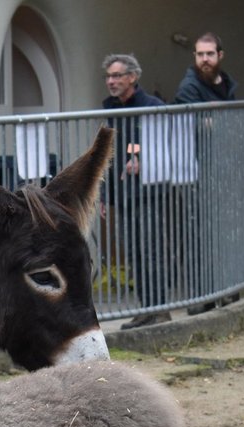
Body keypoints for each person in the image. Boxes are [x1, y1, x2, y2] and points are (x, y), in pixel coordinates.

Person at [100, 54, 171, 329]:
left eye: (117, 76)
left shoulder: (152, 107)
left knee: (151, 250)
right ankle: (146, 308)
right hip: (124, 193)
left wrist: (145, 159)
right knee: (133, 251)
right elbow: (110, 156)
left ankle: (160, 308)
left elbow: (165, 145)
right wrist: (105, 195)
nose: (111, 81)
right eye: (108, 76)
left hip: (149, 192)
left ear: (133, 77)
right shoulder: (111, 109)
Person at [174, 33, 237, 104]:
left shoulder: (227, 82)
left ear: (220, 55)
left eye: (210, 54)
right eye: (200, 54)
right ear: (195, 56)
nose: (205, 59)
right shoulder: (188, 87)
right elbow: (197, 115)